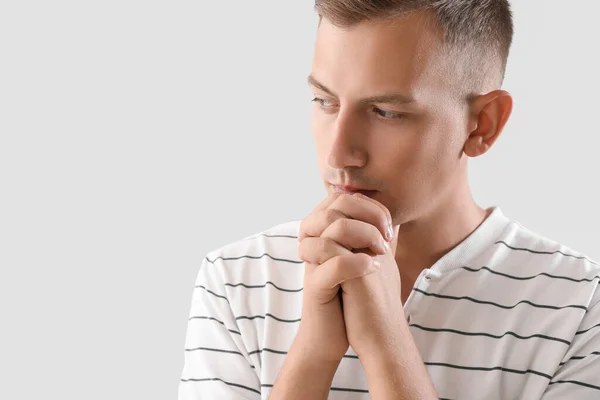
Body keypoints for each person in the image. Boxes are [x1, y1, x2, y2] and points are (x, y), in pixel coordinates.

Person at [178, 1, 600, 398]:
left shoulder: (580, 308)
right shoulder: (236, 282)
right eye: (325, 101)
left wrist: (386, 344)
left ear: (481, 125)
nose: (338, 154)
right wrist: (312, 354)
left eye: (385, 112)